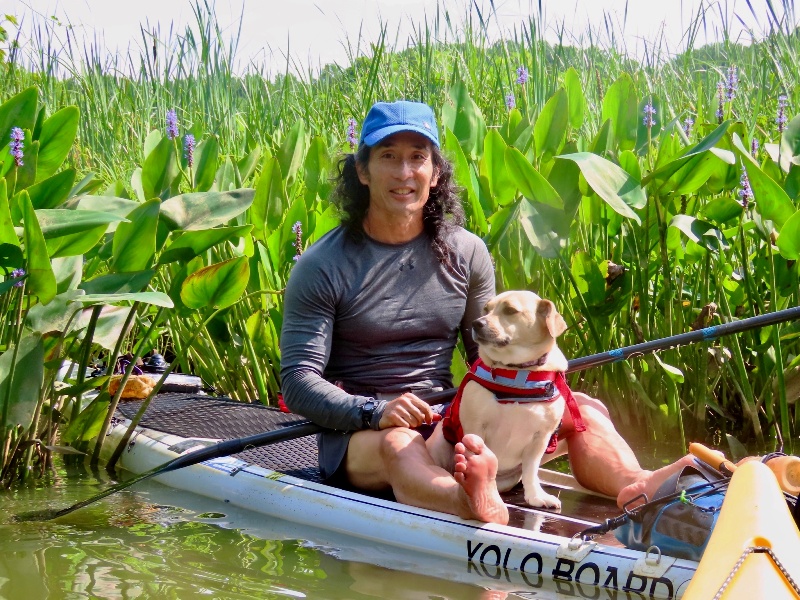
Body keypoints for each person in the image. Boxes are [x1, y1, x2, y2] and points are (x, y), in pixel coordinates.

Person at [279, 100, 694, 526]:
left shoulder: (467, 251)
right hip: (363, 433)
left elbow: (488, 356)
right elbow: (297, 381)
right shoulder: (321, 265)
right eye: (388, 157)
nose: (405, 173)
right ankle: (468, 501)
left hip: (449, 420)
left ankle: (637, 486)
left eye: (417, 158)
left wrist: (538, 390)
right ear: (362, 172)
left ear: (435, 172)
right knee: (401, 442)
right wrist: (374, 410)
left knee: (582, 410)